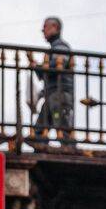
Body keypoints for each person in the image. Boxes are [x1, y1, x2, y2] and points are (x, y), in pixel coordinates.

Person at [33, 15, 75, 143]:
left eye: (45, 27)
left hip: (59, 95)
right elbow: (47, 73)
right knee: (39, 132)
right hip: (53, 95)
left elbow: (56, 67)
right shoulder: (55, 47)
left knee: (63, 131)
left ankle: (68, 153)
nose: (43, 30)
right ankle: (42, 152)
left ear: (55, 27)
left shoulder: (61, 46)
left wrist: (38, 67)